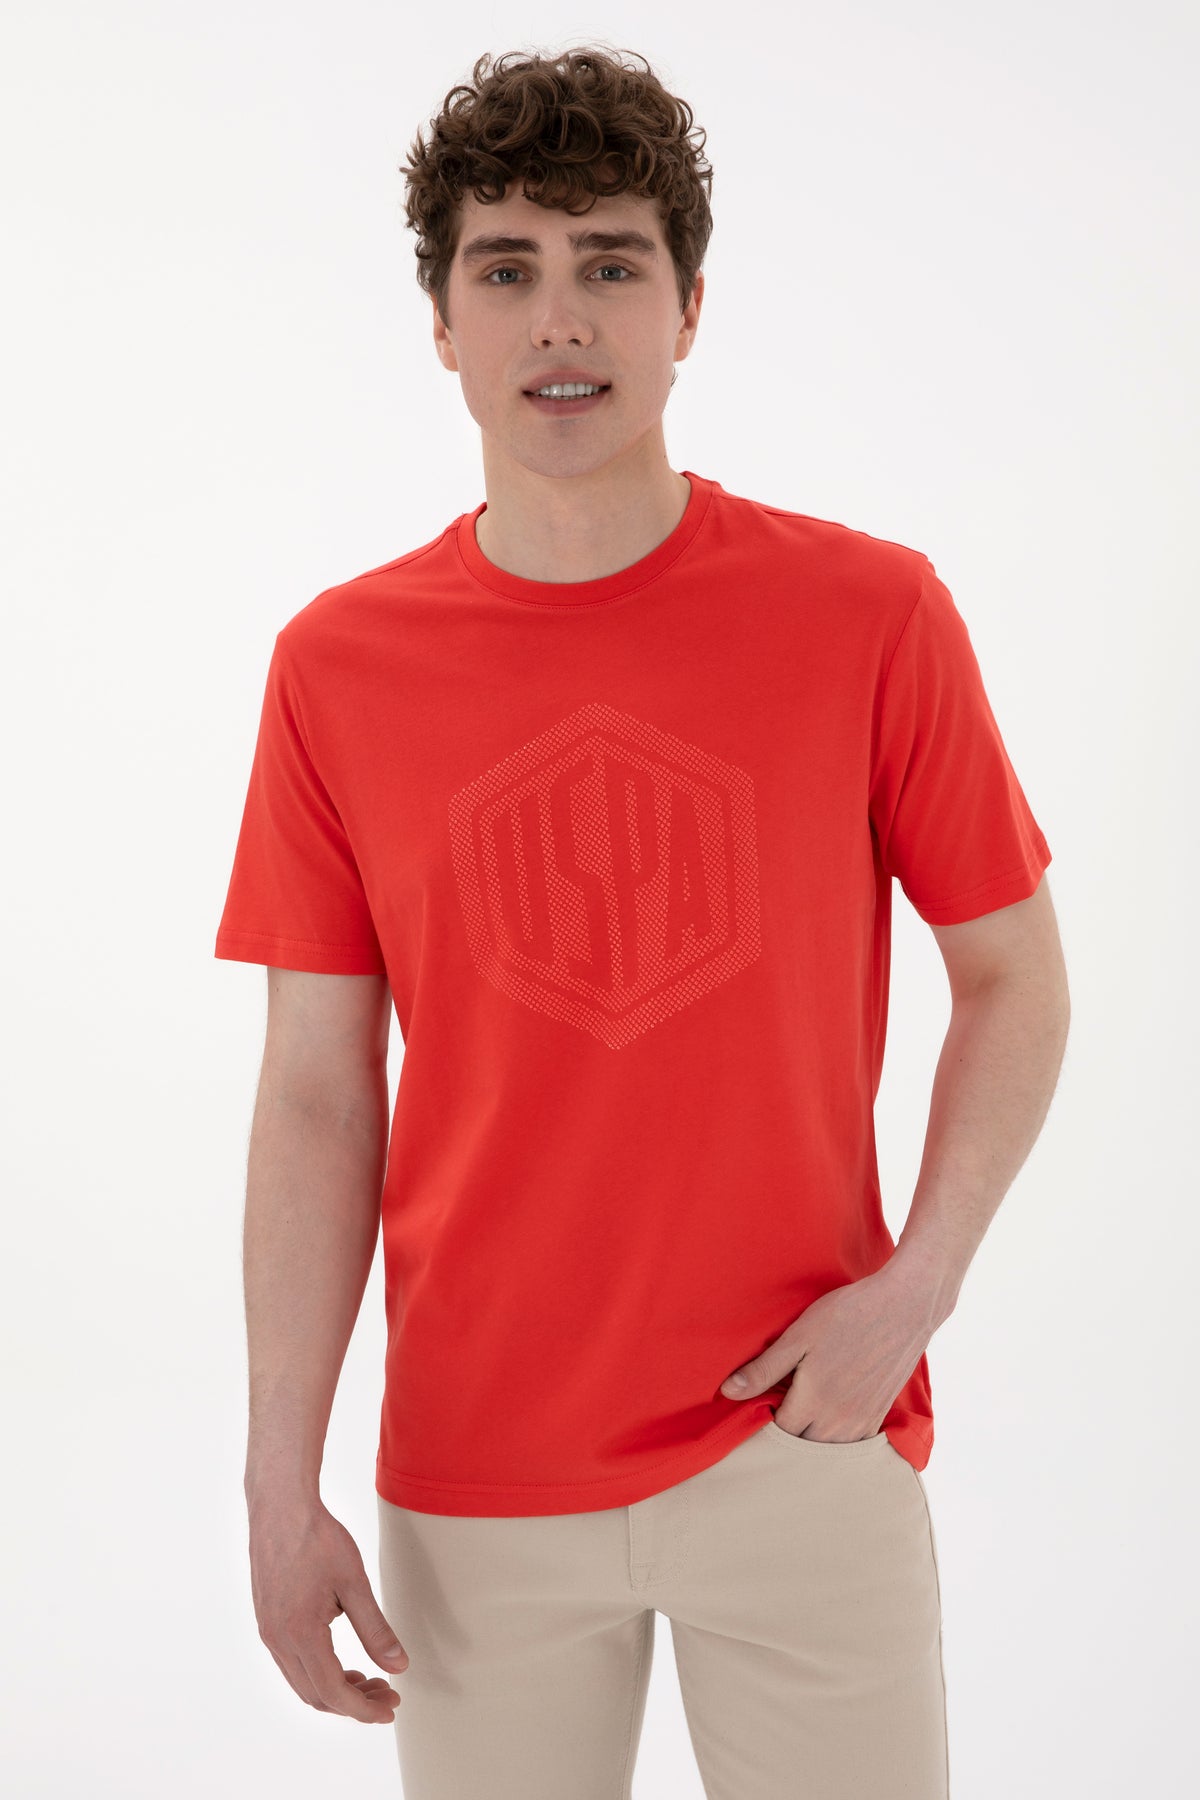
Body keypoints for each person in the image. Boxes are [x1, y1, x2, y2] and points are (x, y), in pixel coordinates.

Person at [214, 43, 1070, 1800]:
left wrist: (915, 1291)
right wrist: (276, 1484)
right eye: (504, 268)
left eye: (610, 263)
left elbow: (1013, 974)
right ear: (441, 324)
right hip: (477, 1477)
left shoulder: (871, 616)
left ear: (687, 310)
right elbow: (314, 1091)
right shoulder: (336, 668)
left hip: (800, 1428)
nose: (560, 319)